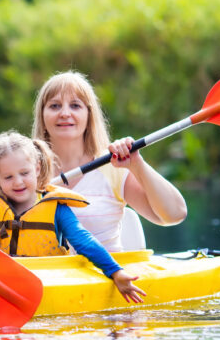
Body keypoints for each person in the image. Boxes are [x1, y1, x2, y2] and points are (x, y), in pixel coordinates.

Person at [0, 131, 145, 303]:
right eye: (8, 177)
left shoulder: (57, 209)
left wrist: (115, 272)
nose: (18, 182)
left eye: (24, 173)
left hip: (51, 286)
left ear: (37, 168)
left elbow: (84, 241)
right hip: (6, 289)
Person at [32, 71, 187, 251]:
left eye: (75, 105)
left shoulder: (113, 168)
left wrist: (137, 165)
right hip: (46, 275)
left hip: (108, 275)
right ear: (42, 114)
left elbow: (174, 215)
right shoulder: (23, 171)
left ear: (89, 115)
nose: (65, 113)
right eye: (55, 106)